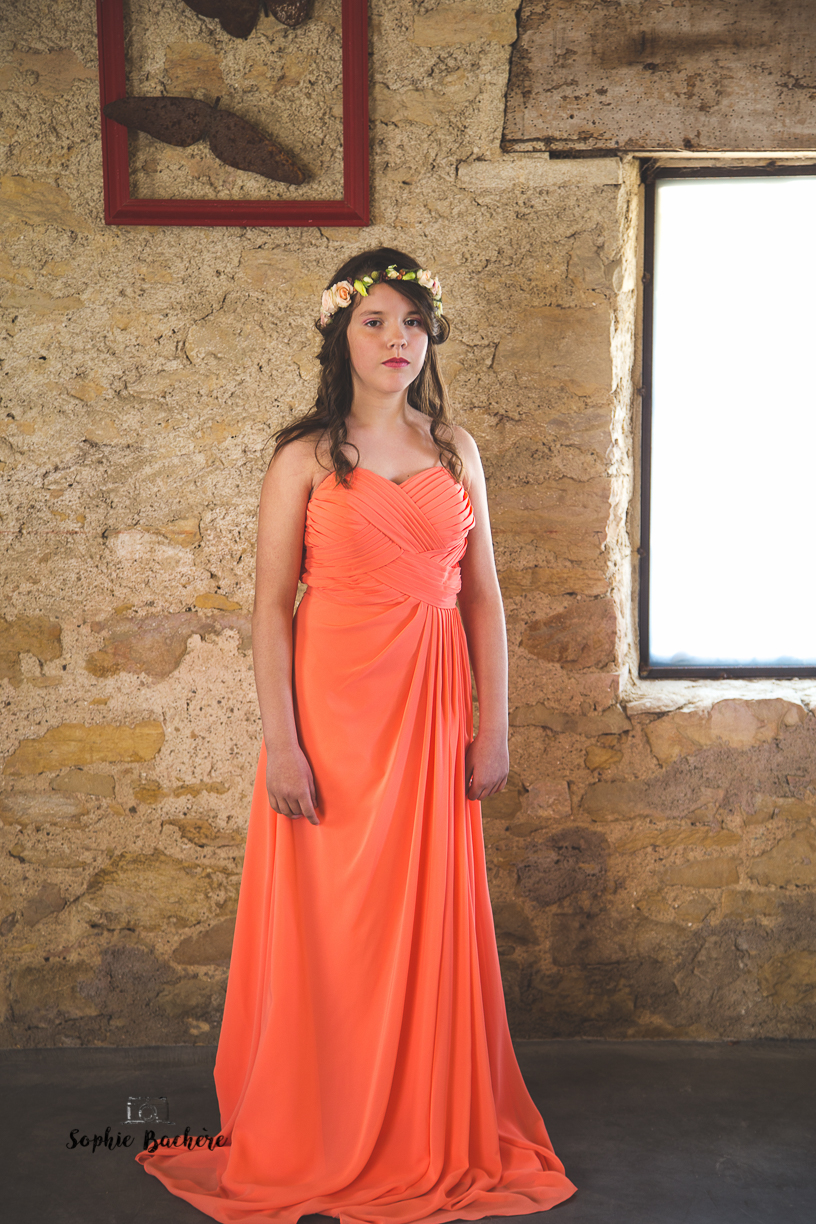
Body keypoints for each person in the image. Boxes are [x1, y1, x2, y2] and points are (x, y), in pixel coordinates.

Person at [136, 247, 577, 1221]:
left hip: (430, 714)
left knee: (420, 922)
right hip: (331, 718)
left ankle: (418, 1122)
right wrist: (283, 743)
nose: (396, 339)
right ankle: (320, 1123)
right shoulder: (303, 457)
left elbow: (485, 599)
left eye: (412, 322)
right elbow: (269, 609)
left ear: (430, 336)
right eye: (375, 321)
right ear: (341, 333)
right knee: (332, 928)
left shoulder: (456, 449)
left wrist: (494, 725)